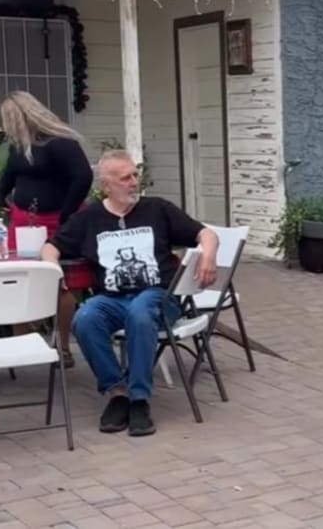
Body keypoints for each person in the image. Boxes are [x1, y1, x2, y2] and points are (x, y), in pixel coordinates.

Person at [42, 150, 219, 436]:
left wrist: (208, 255)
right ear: (106, 185)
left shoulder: (157, 209)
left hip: (158, 295)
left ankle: (139, 399)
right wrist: (53, 270)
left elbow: (205, 234)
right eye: (125, 178)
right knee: (84, 318)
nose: (134, 182)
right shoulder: (90, 217)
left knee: (140, 311)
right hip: (111, 299)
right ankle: (117, 392)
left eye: (135, 175)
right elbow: (51, 247)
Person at [0, 90, 94, 367]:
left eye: (9, 119)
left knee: (59, 283)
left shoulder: (60, 142)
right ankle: (22, 344)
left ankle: (62, 346)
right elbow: (10, 175)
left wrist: (67, 214)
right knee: (16, 280)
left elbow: (83, 177)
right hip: (24, 221)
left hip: (56, 221)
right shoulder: (19, 146)